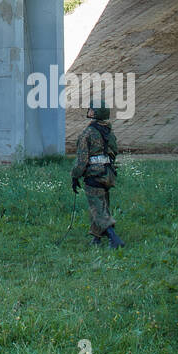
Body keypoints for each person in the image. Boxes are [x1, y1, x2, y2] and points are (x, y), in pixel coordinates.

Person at [71, 98, 123, 248]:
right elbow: (114, 151)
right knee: (102, 205)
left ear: (95, 113)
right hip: (108, 174)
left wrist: (75, 176)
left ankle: (115, 239)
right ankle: (96, 238)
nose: (89, 110)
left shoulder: (87, 133)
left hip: (94, 176)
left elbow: (81, 160)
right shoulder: (109, 132)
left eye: (91, 108)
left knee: (97, 209)